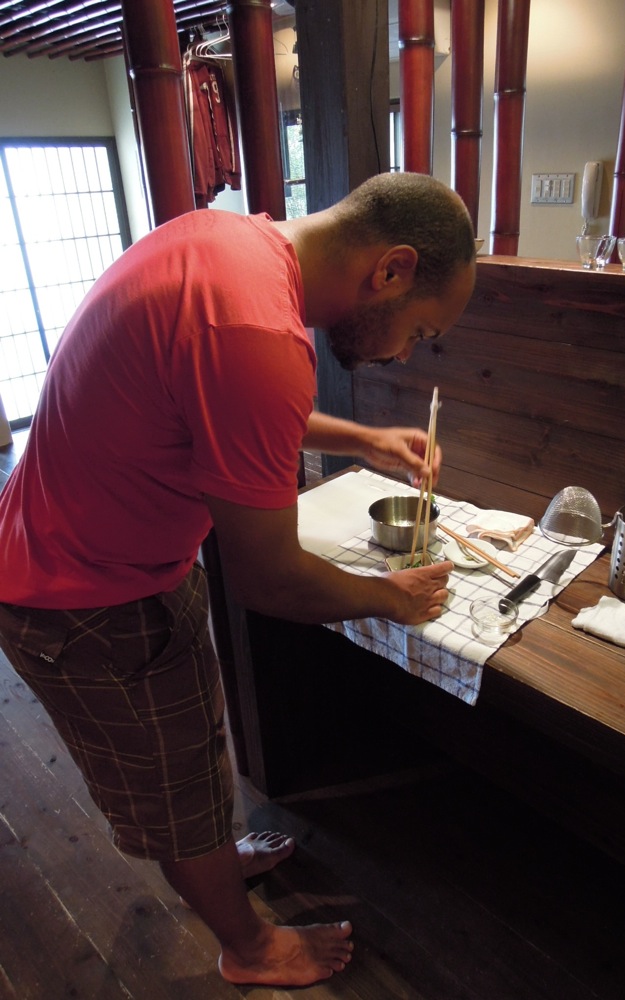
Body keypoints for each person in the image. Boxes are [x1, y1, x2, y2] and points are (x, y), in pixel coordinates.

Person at [0, 171, 476, 987]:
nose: (405, 351)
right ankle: (247, 948)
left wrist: (360, 438)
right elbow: (270, 579)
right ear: (391, 269)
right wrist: (390, 598)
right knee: (170, 781)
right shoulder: (258, 329)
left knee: (192, 738)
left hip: (107, 548)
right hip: (81, 594)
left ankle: (214, 853)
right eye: (420, 333)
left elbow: (218, 401)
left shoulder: (232, 245)